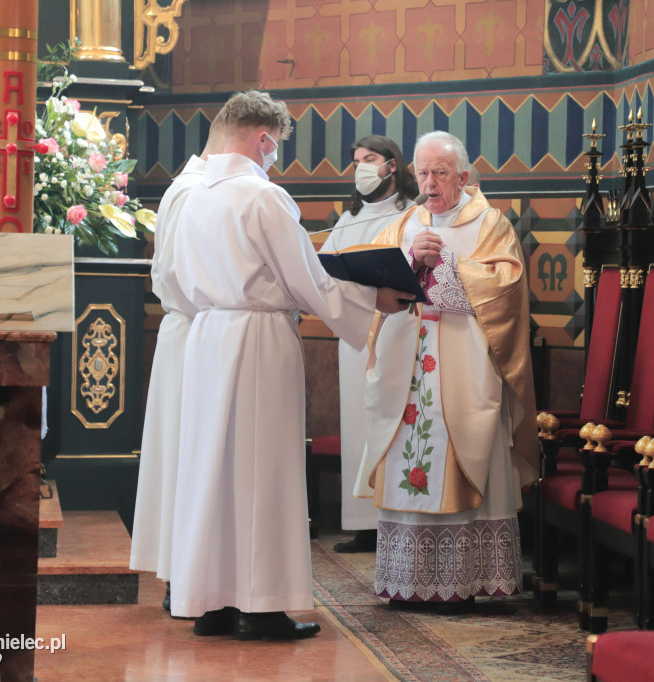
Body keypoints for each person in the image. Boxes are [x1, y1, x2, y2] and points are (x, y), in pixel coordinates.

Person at [168, 91, 410, 640]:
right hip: (256, 338)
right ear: (263, 139)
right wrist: (376, 300)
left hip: (208, 335)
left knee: (213, 469)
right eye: (274, 148)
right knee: (263, 469)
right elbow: (308, 278)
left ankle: (211, 602)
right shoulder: (263, 196)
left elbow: (179, 280)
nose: (273, 157)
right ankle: (263, 605)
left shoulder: (191, 195)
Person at [355, 131, 538, 611]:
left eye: (440, 173)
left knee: (462, 446)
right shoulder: (404, 223)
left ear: (464, 177)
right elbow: (375, 282)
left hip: (464, 363)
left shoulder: (490, 224)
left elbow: (507, 287)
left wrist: (447, 265)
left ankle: (461, 582)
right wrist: (412, 262)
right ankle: (406, 581)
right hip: (409, 365)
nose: (429, 183)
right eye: (422, 172)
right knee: (408, 453)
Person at [129, 115, 225, 612]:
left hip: (186, 330)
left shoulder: (185, 186)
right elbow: (192, 274)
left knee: (182, 456)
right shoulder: (196, 192)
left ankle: (184, 574)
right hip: (195, 330)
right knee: (188, 456)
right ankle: (182, 578)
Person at [322, 135, 418, 554]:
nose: (361, 166)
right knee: (358, 421)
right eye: (356, 160)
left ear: (392, 165)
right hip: (357, 329)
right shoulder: (349, 218)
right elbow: (325, 266)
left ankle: (395, 516)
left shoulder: (413, 214)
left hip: (399, 327)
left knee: (390, 419)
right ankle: (362, 524)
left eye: (370, 159)